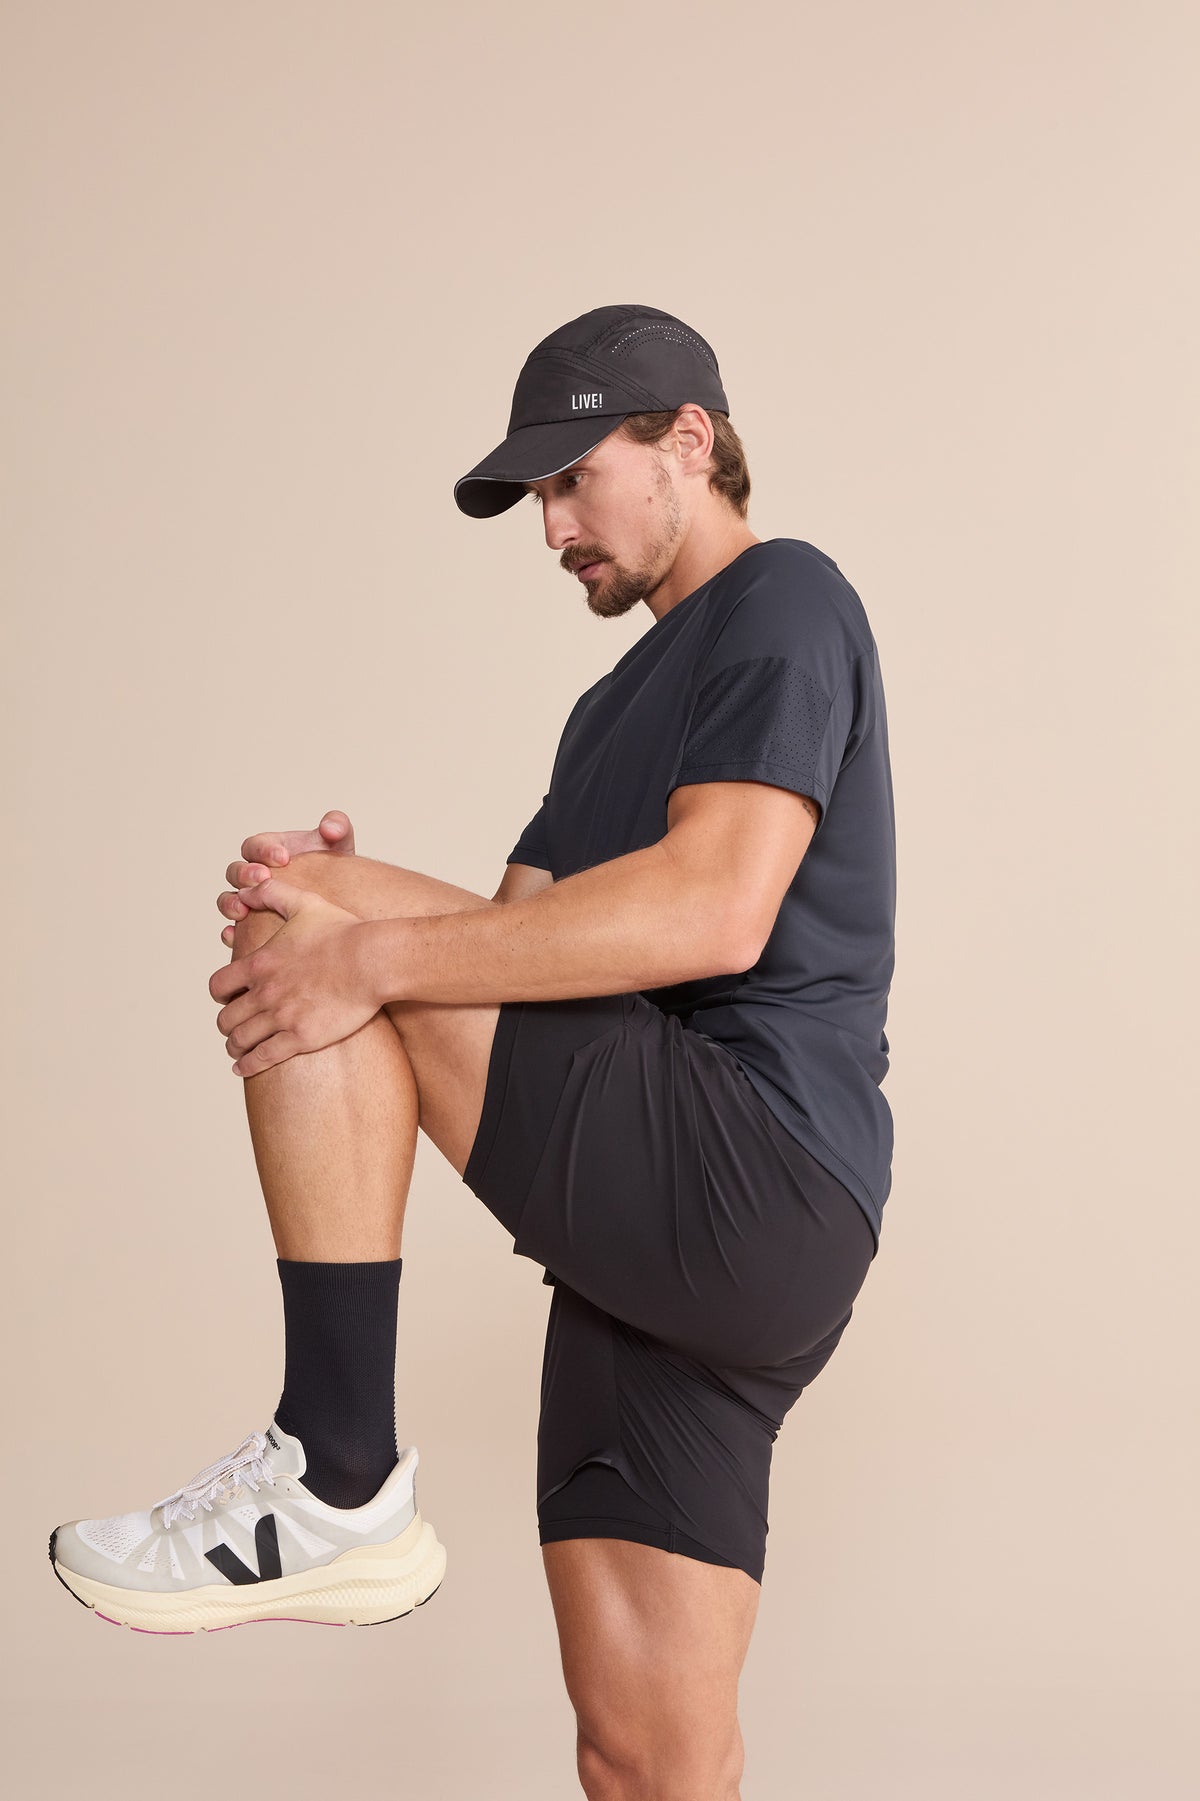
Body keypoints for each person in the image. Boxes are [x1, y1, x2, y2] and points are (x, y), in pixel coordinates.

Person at [49, 303, 895, 1800]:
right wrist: (355, 896)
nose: (552, 526)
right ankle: (339, 1480)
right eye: (535, 497)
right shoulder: (607, 710)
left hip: (752, 1172)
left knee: (325, 926)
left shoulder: (786, 601)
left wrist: (358, 933)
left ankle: (336, 1470)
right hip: (652, 1257)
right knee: (643, 1761)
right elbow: (516, 946)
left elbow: (713, 908)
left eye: (575, 478)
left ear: (689, 440)